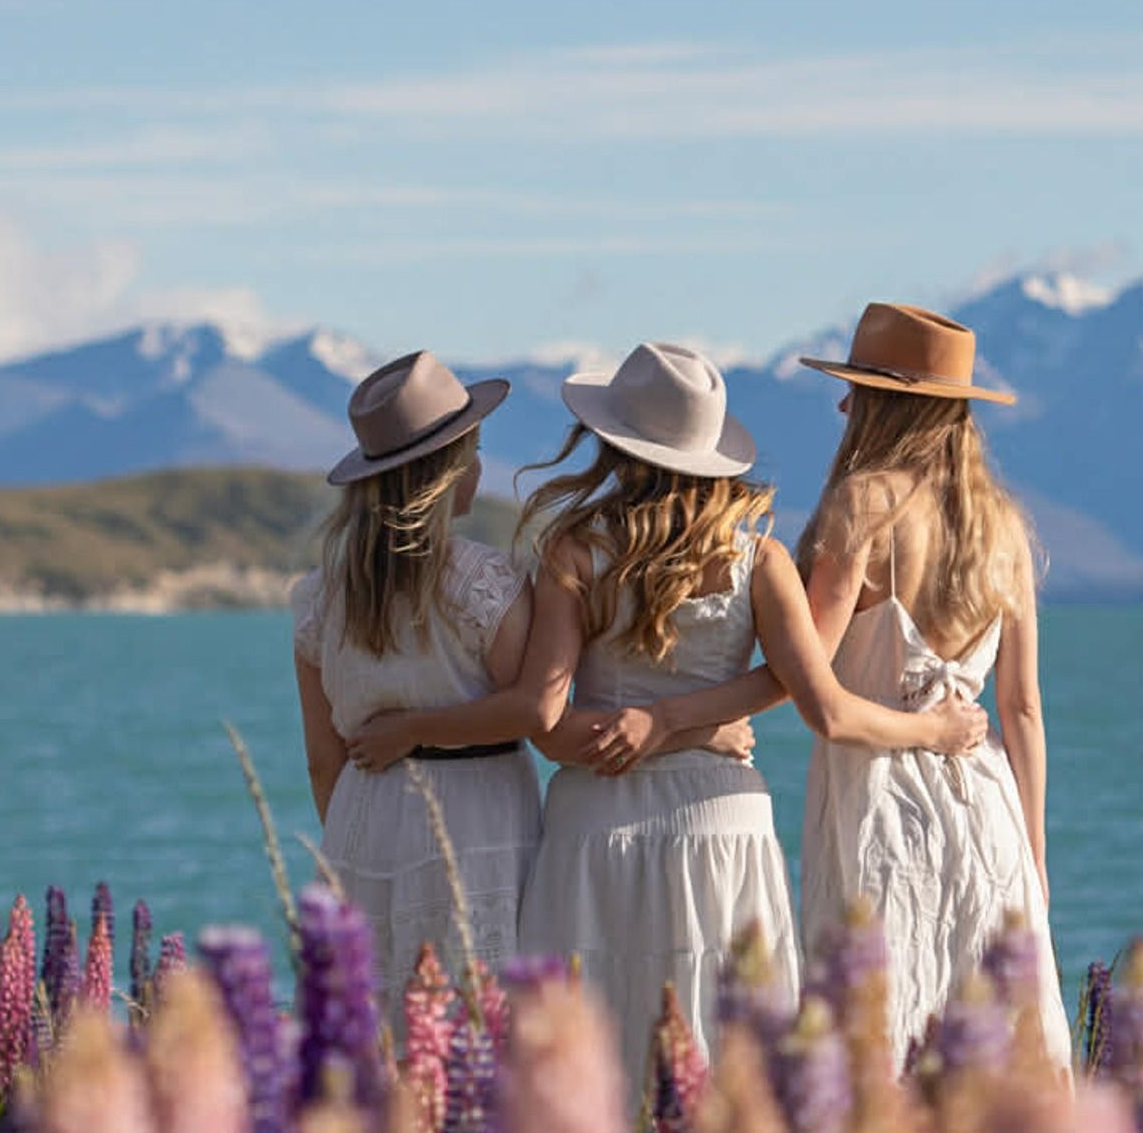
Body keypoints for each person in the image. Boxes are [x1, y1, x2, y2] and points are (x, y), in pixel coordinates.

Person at [498, 340, 986, 1094]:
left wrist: (653, 724)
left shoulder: (572, 552)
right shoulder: (759, 561)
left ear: (612, 445)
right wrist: (939, 730)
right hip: (721, 826)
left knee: (586, 1061)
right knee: (729, 1059)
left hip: (596, 823)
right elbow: (813, 695)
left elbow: (547, 725)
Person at [794, 301, 1073, 1073]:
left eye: (857, 388)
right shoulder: (1005, 526)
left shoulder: (862, 506)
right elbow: (1020, 708)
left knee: (877, 1038)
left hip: (878, 803)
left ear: (887, 403)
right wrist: (1035, 853)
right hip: (989, 811)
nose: (844, 404)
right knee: (991, 1050)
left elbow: (804, 680)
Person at [291, 350, 544, 999]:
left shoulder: (322, 595)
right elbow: (530, 709)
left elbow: (324, 759)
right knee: (475, 1016)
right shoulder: (485, 581)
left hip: (364, 813)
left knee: (376, 1024)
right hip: (478, 814)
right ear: (448, 472)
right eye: (475, 452)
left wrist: (358, 825)